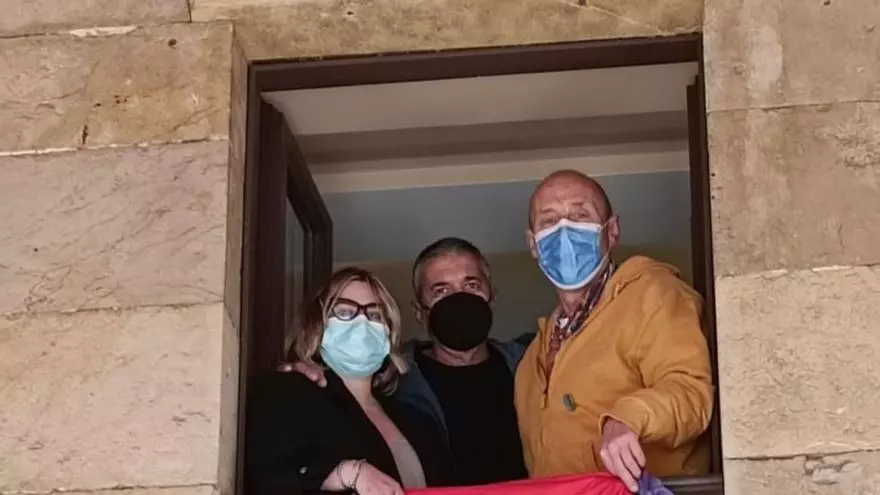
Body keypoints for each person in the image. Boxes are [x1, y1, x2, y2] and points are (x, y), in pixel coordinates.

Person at [515, 170, 714, 492]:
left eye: (580, 215)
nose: (564, 230)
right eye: (549, 221)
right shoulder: (531, 362)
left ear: (612, 231)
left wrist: (628, 418)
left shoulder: (653, 295)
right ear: (533, 244)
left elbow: (692, 395)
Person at [285, 238, 531, 486]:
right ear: (419, 312)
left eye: (472, 285)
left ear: (492, 297)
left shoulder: (532, 361)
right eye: (441, 291)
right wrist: (309, 368)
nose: (459, 297)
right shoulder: (392, 379)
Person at [246, 267, 453, 495]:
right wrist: (344, 473)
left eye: (375, 315)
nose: (362, 322)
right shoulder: (287, 393)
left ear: (389, 331)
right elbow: (269, 479)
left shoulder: (410, 415)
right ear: (317, 323)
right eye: (345, 312)